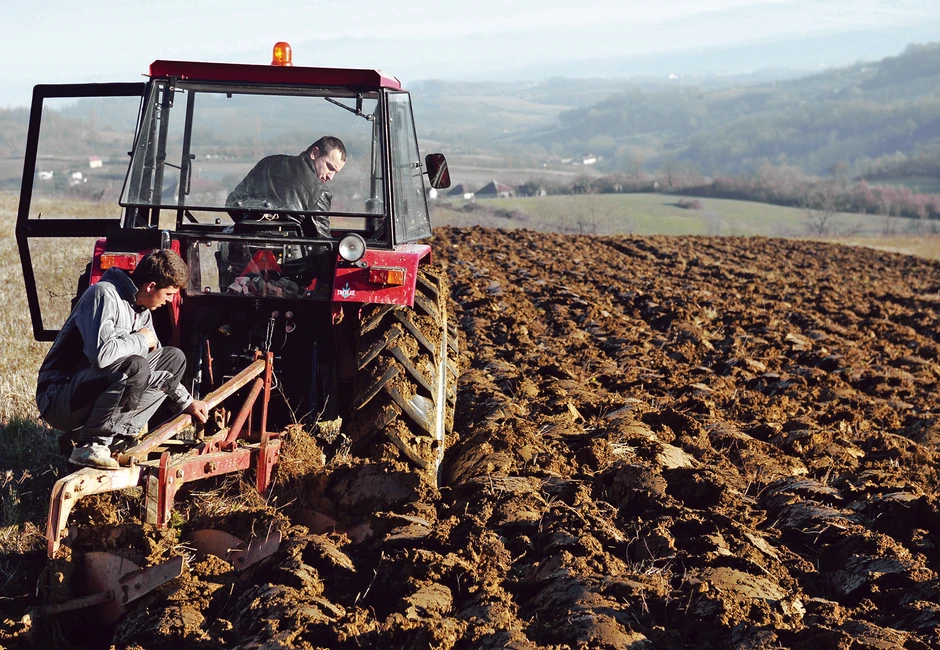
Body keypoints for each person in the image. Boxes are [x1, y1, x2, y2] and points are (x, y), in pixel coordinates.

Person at [36, 249, 209, 470]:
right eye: (168, 294)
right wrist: (139, 339)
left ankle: (117, 438)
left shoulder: (142, 311)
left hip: (89, 390)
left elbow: (155, 355)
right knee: (135, 366)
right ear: (151, 286)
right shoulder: (103, 295)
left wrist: (186, 402)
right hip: (59, 396)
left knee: (173, 358)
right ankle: (91, 445)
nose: (169, 301)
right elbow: (101, 356)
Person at [225, 135, 347, 238]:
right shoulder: (320, 192)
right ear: (314, 153)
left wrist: (250, 227)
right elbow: (321, 242)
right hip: (293, 264)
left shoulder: (267, 163)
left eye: (335, 172)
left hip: (244, 254)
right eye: (330, 167)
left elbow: (233, 202)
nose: (331, 177)